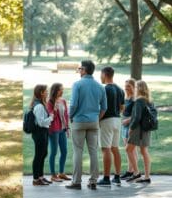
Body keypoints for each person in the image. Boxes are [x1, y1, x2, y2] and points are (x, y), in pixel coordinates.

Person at [66, 60, 107, 190]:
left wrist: (70, 116)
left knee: (78, 151)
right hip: (94, 122)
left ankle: (76, 182)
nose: (79, 71)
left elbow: (73, 105)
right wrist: (96, 119)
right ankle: (93, 180)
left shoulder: (77, 84)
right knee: (93, 151)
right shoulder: (100, 86)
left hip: (79, 121)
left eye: (79, 69)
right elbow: (104, 107)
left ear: (84, 70)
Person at [97, 66, 125, 187]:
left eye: (101, 74)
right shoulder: (120, 89)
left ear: (105, 74)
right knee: (115, 148)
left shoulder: (104, 89)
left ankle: (106, 178)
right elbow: (122, 108)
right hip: (117, 120)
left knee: (106, 149)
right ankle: (117, 177)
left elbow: (102, 107)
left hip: (106, 121)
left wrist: (97, 120)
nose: (100, 77)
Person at [125, 80, 152, 183]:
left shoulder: (139, 101)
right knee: (144, 151)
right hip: (146, 129)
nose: (134, 89)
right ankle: (147, 176)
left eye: (136, 87)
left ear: (139, 89)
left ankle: (136, 173)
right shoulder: (149, 100)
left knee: (128, 149)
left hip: (138, 129)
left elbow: (136, 117)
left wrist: (131, 129)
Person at [46, 83, 70, 182]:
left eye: (62, 89)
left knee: (64, 151)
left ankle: (61, 173)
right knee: (54, 152)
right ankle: (53, 175)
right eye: (60, 89)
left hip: (62, 129)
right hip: (54, 129)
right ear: (55, 90)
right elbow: (52, 117)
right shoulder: (49, 102)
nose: (62, 91)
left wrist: (67, 127)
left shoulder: (63, 101)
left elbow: (66, 115)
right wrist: (55, 108)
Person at [31, 84, 54, 186]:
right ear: (41, 93)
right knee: (39, 156)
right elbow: (41, 122)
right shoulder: (39, 106)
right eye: (46, 91)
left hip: (43, 132)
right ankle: (36, 179)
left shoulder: (40, 104)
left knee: (43, 154)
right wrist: (51, 118)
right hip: (39, 133)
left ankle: (41, 177)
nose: (48, 92)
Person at [120, 78, 138, 180]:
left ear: (133, 87)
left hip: (131, 126)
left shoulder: (135, 99)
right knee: (129, 150)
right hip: (124, 125)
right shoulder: (127, 97)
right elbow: (124, 110)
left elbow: (137, 114)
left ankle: (133, 171)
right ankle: (130, 171)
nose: (126, 88)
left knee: (131, 150)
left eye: (128, 86)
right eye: (125, 86)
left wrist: (128, 120)